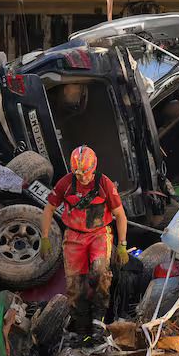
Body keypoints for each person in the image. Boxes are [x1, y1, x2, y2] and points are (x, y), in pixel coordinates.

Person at [38, 145, 129, 338]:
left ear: (93, 168)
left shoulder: (104, 184)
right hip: (73, 236)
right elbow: (48, 209)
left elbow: (120, 215)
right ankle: (81, 327)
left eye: (86, 174)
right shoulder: (66, 183)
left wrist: (122, 245)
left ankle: (98, 319)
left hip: (98, 234)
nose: (82, 178)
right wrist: (44, 237)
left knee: (99, 273)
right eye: (78, 174)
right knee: (74, 283)